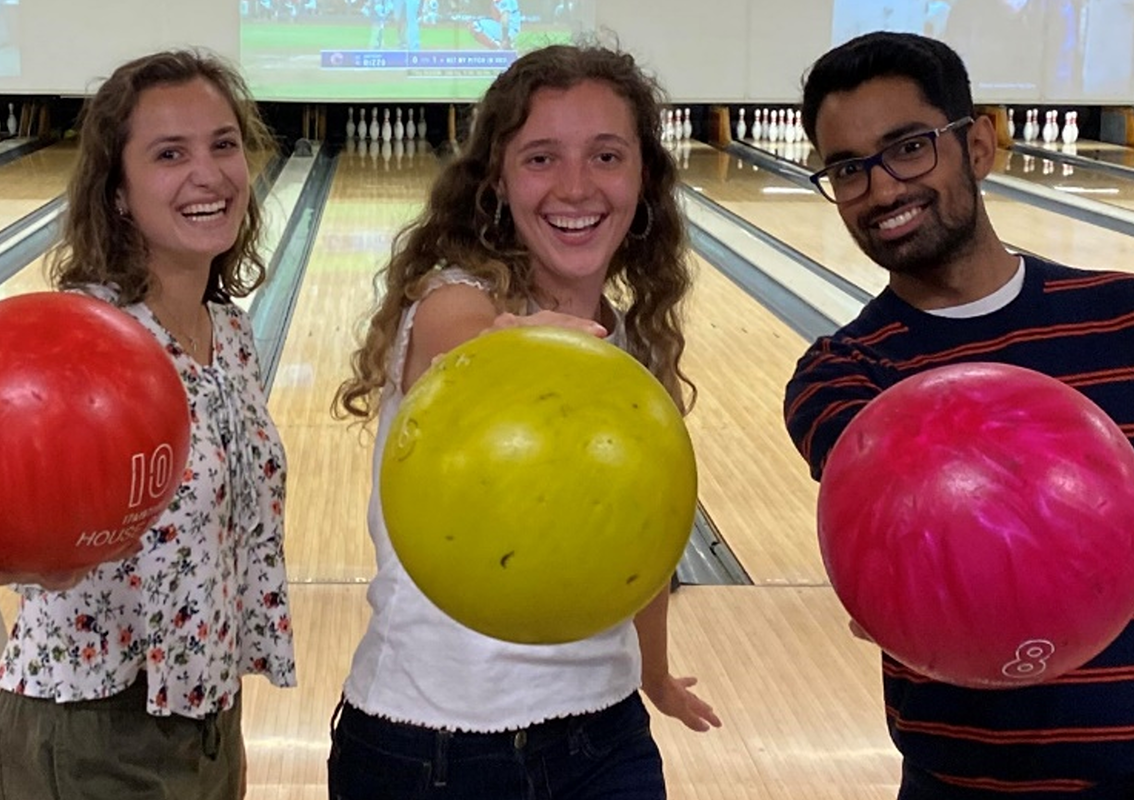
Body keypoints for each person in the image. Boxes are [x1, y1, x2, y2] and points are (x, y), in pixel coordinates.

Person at [330, 43, 721, 800]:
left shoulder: (630, 349)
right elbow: (467, 344)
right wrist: (513, 344)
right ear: (498, 183)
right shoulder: (448, 301)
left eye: (607, 155)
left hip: (605, 735)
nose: (576, 186)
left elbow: (640, 542)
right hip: (429, 748)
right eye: (541, 158)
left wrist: (656, 672)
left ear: (645, 176)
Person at [784, 31, 1134, 799]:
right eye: (847, 169)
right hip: (959, 783)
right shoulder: (841, 376)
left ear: (978, 144)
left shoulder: (1121, 318)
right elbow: (898, 548)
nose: (879, 189)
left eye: (908, 147)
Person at [0, 49, 295, 800]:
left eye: (223, 144)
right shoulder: (79, 340)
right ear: (118, 192)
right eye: (168, 154)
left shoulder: (232, 333)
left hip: (205, 713)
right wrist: (29, 552)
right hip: (90, 723)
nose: (209, 173)